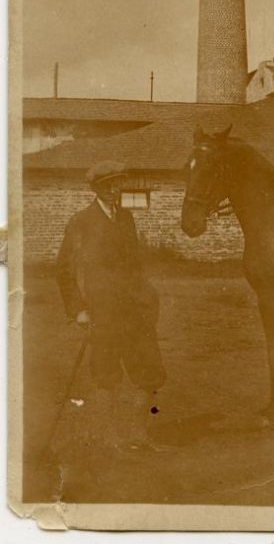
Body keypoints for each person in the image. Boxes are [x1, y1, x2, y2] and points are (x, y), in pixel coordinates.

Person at [56, 160, 167, 451]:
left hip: (135, 313)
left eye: (118, 183)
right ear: (97, 188)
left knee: (149, 372)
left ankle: (138, 435)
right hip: (103, 312)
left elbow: (135, 265)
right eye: (109, 184)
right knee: (106, 375)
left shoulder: (127, 218)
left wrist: (147, 295)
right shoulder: (81, 222)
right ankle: (110, 439)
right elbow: (64, 270)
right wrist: (78, 309)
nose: (115, 189)